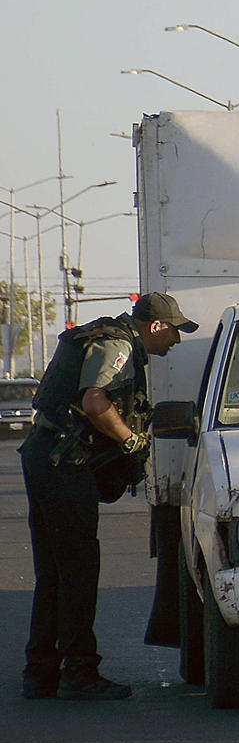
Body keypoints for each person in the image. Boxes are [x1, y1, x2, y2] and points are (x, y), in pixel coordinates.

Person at [21, 291, 194, 701]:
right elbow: (95, 401)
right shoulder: (117, 344)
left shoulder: (107, 337)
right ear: (155, 326)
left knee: (54, 573)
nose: (176, 340)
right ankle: (79, 673)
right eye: (174, 331)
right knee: (78, 573)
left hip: (46, 457)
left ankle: (41, 672)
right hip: (64, 466)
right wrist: (131, 440)